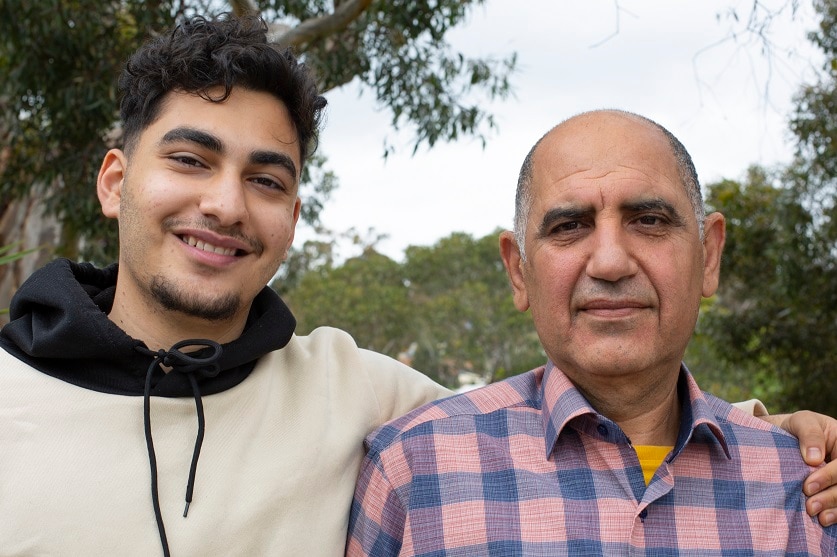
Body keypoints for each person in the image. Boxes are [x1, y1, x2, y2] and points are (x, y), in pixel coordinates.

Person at [0, 15, 832, 557]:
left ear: (293, 209)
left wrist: (784, 435)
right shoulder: (10, 402)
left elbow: (593, 407)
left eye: (267, 178)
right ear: (113, 180)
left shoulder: (361, 398)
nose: (223, 205)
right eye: (189, 159)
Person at [347, 110, 837, 555]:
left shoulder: (811, 488)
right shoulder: (414, 470)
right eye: (569, 226)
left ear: (708, 255)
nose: (609, 262)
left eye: (648, 220)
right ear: (519, 271)